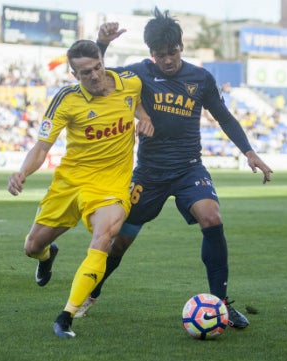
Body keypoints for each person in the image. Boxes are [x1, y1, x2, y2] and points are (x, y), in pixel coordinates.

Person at [75, 8, 273, 328]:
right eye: (159, 54)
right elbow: (98, 78)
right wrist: (102, 43)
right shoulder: (139, 73)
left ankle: (220, 304)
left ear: (181, 47)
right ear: (151, 54)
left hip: (188, 170)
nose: (167, 60)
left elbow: (224, 116)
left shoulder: (200, 78)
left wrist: (250, 152)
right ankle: (90, 293)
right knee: (119, 241)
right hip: (149, 174)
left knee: (211, 216)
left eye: (172, 52)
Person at [7, 39, 153, 338]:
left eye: (97, 67)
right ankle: (47, 257)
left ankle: (66, 315)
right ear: (74, 75)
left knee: (104, 237)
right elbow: (42, 145)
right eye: (85, 72)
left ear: (103, 60)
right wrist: (22, 172)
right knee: (32, 247)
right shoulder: (66, 98)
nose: (95, 75)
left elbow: (137, 103)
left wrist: (146, 117)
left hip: (111, 185)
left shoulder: (130, 83)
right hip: (71, 183)